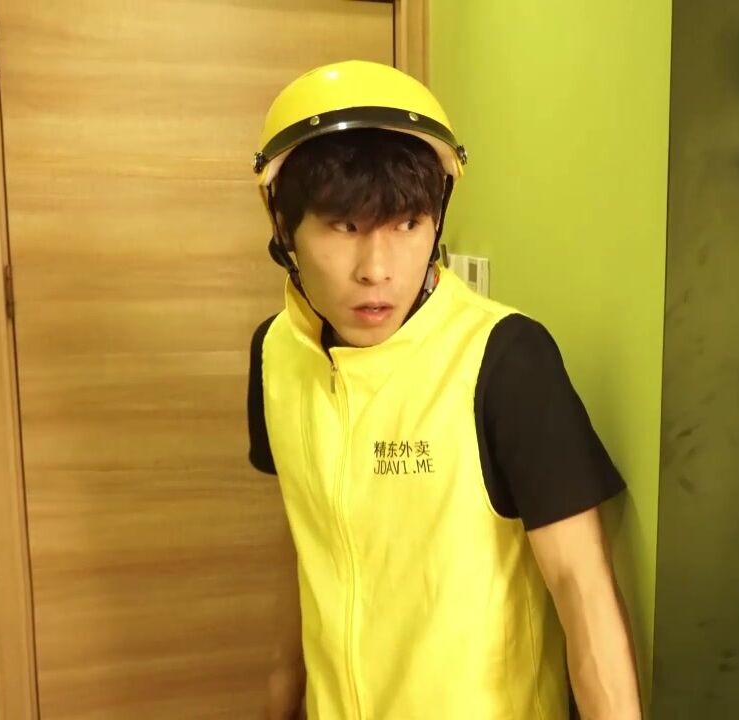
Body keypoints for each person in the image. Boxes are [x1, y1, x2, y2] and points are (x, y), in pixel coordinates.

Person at [246, 60, 640, 720]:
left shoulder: (504, 359)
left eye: (406, 224)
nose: (377, 269)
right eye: (343, 226)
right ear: (285, 229)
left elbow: (582, 590)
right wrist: (281, 693)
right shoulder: (274, 355)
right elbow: (302, 540)